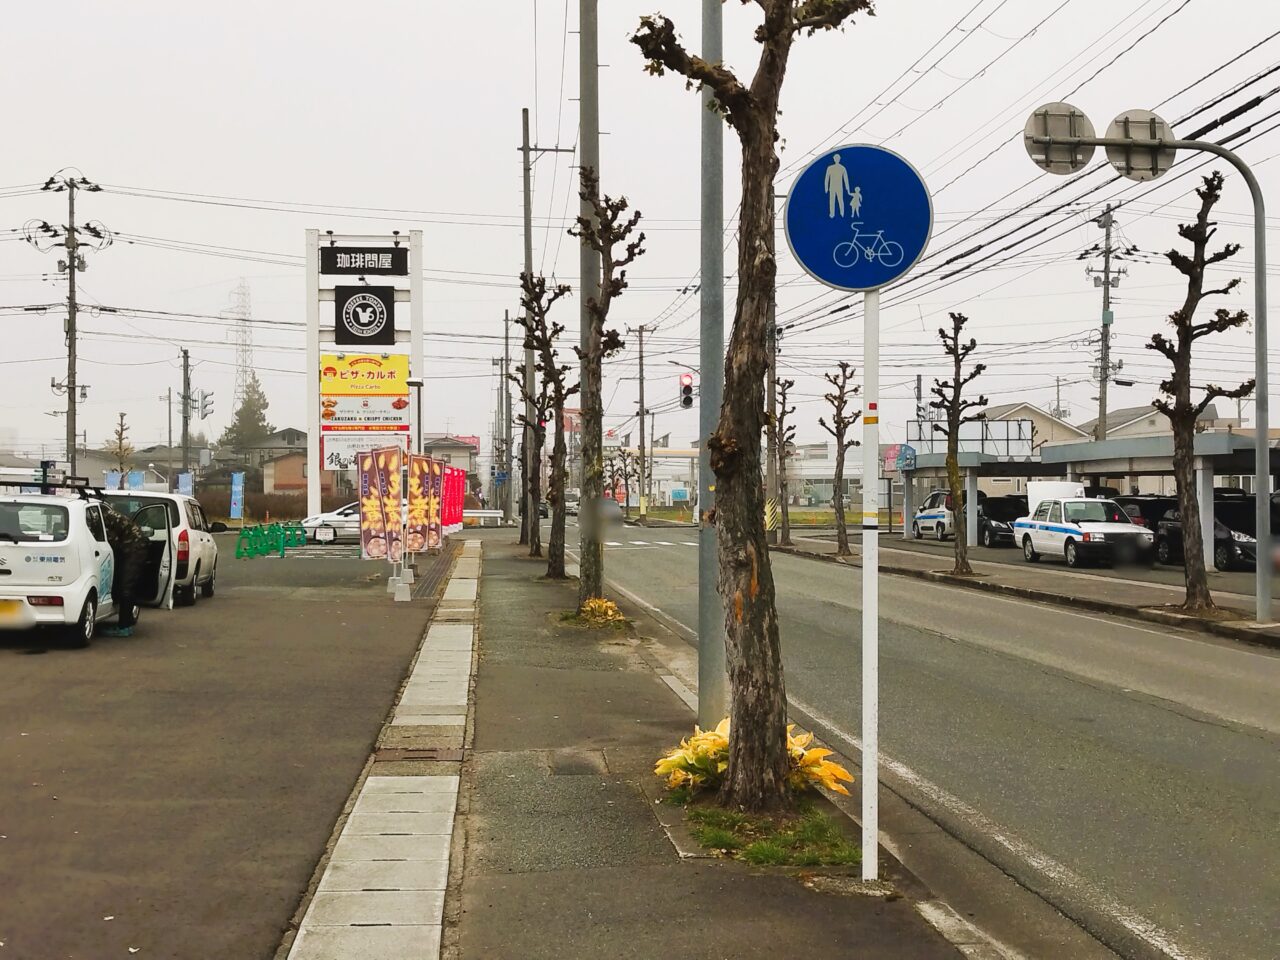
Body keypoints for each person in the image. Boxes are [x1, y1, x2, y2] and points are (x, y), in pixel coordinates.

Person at [101, 504, 147, 630]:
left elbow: (112, 541)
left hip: (134, 548)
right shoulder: (109, 515)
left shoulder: (104, 519)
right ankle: (128, 619)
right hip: (133, 546)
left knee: (126, 586)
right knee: (127, 584)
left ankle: (124, 625)